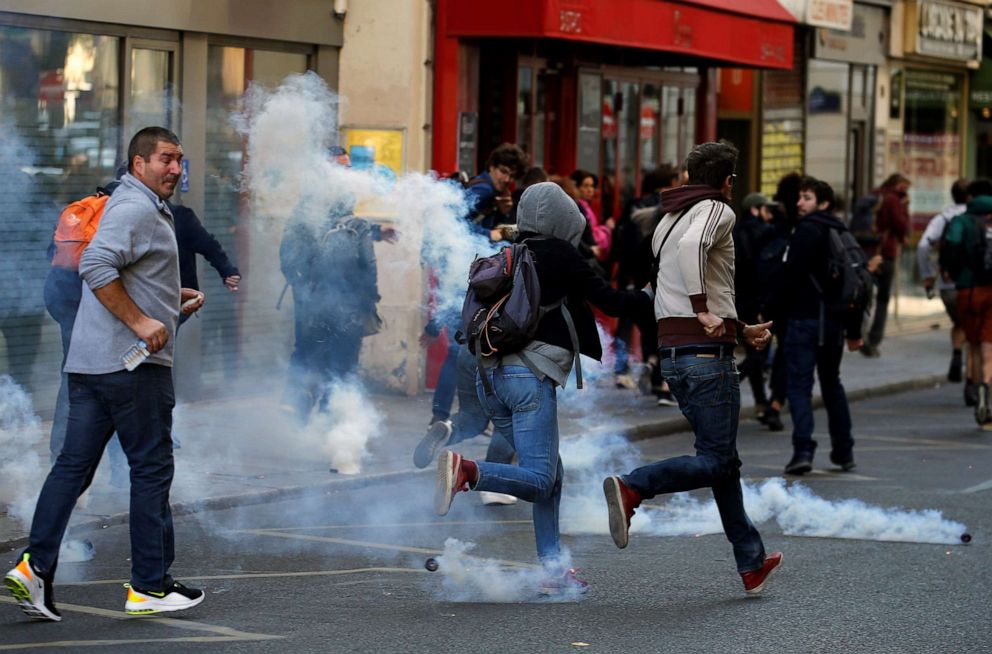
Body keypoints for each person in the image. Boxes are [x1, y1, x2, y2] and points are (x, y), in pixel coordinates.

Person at [5, 127, 206, 621]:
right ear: (138, 164)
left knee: (72, 469)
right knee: (151, 469)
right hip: (132, 367)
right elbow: (96, 262)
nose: (176, 169)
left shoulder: (134, 207)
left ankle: (34, 568)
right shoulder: (136, 207)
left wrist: (168, 298)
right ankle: (149, 587)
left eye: (180, 160)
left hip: (90, 365)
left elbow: (121, 270)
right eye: (165, 159)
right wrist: (141, 321)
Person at [433, 182, 655, 594]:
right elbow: (609, 301)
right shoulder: (560, 254)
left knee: (551, 477)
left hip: (490, 378)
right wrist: (649, 295)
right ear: (561, 218)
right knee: (538, 477)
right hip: (527, 377)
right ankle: (468, 471)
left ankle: (552, 573)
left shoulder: (510, 254)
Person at [601, 141, 783, 595]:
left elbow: (664, 285)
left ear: (686, 175)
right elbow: (692, 252)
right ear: (727, 182)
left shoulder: (666, 219)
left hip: (677, 356)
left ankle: (750, 558)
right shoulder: (718, 211)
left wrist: (740, 330)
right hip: (706, 357)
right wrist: (705, 311)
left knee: (721, 460)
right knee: (718, 459)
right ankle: (634, 486)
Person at [279, 146, 394, 426]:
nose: (345, 173)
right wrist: (306, 288)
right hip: (322, 301)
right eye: (339, 167)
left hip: (339, 301)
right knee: (322, 358)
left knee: (325, 359)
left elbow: (348, 229)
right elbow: (290, 254)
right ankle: (313, 420)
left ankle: (313, 421)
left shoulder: (328, 205)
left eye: (347, 167)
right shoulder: (309, 209)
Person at [780, 178, 864, 474]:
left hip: (804, 320)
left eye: (807, 198)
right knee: (832, 383)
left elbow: (789, 278)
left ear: (823, 203)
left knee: (800, 386)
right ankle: (844, 450)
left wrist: (774, 316)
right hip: (834, 324)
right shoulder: (840, 230)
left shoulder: (807, 230)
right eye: (800, 197)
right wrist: (854, 331)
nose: (799, 203)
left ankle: (803, 450)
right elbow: (857, 284)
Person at [939, 179, 992, 427]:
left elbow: (949, 251)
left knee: (972, 341)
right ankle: (987, 388)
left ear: (969, 197)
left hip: (969, 288)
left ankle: (974, 382)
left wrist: (958, 273)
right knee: (989, 344)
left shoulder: (960, 221)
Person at [917, 178, 968, 385]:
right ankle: (976, 382)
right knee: (977, 330)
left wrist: (927, 275)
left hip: (948, 283)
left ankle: (957, 353)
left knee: (959, 322)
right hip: (975, 283)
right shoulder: (980, 217)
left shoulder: (943, 218)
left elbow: (922, 246)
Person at [734, 192, 776, 423]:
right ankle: (732, 379)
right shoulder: (765, 233)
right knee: (759, 353)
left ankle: (761, 404)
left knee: (754, 351)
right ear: (755, 210)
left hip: (738, 299)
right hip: (759, 300)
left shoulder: (735, 231)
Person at [863, 173, 911, 357]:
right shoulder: (893, 200)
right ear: (899, 185)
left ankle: (860, 333)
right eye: (905, 187)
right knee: (882, 298)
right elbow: (901, 225)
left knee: (866, 296)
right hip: (885, 252)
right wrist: (905, 207)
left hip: (867, 250)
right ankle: (874, 338)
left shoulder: (875, 194)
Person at [464, 143, 527, 240]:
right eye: (503, 171)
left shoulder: (492, 190)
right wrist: (488, 234)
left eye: (512, 176)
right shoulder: (484, 189)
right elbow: (455, 221)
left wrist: (504, 213)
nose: (507, 179)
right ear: (491, 167)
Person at [570, 169, 611, 261]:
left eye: (592, 186)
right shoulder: (578, 207)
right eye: (585, 186)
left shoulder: (586, 206)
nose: (590, 190)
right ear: (576, 187)